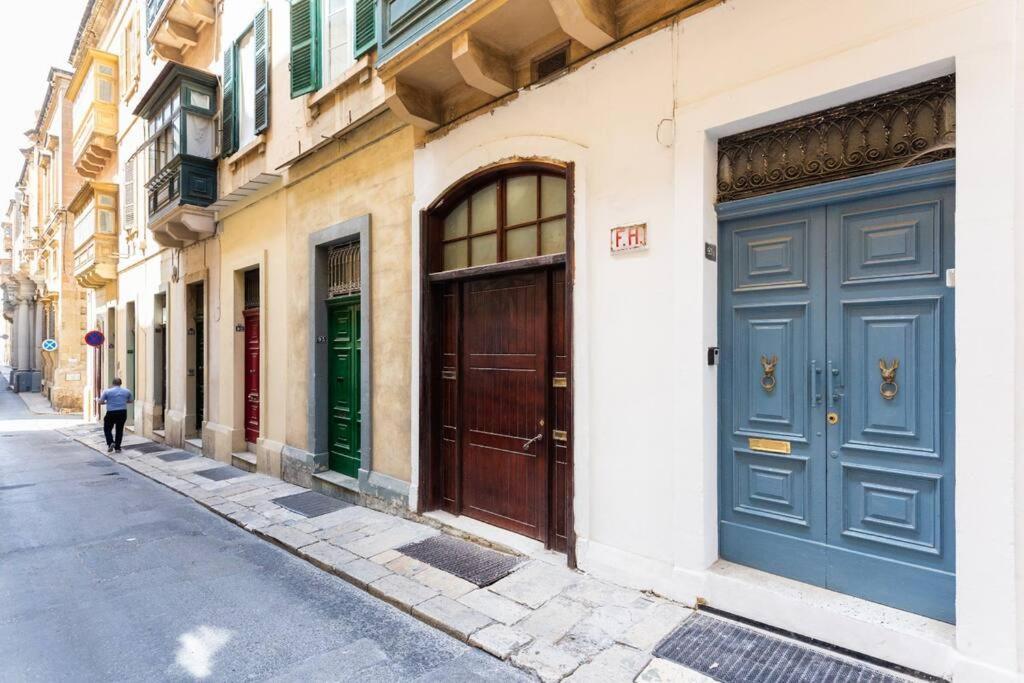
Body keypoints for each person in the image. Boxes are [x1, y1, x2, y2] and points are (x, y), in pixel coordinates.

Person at [99, 378, 134, 453]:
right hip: (122, 412)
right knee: (119, 429)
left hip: (111, 412)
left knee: (107, 428)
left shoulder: (107, 391)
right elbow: (131, 401)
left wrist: (107, 402)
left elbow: (100, 402)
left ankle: (110, 442)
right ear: (121, 383)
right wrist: (123, 402)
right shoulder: (127, 391)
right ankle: (117, 448)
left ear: (113, 383)